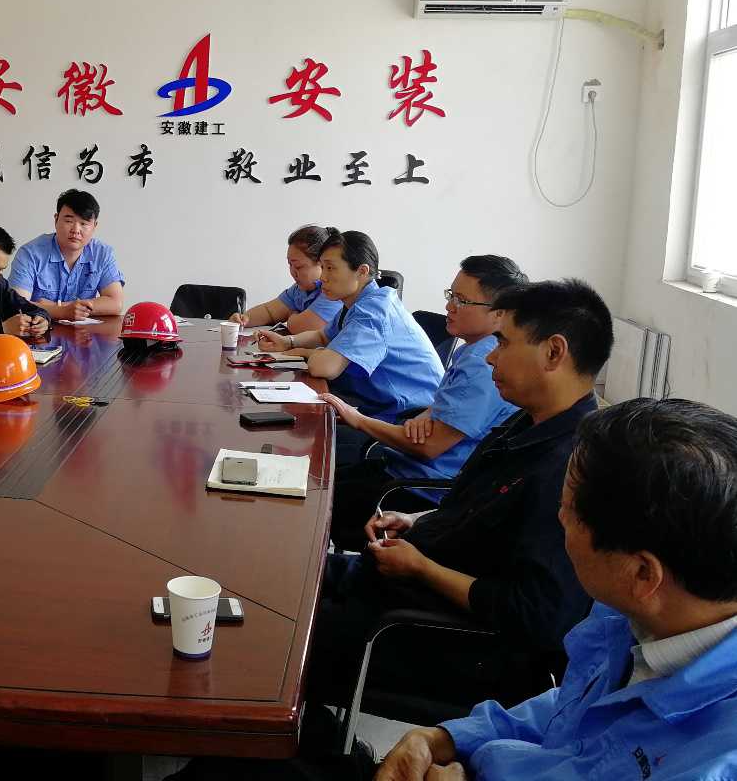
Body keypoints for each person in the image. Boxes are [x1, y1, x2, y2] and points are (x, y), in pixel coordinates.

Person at [377, 398, 737, 781]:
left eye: (570, 511)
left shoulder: (714, 761)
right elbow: (573, 709)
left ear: (643, 574)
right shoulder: (630, 618)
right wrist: (448, 738)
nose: (559, 517)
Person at [310, 279, 611, 706]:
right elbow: (473, 507)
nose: (490, 356)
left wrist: (421, 569)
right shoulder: (526, 423)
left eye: (503, 343)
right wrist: (415, 519)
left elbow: (535, 614)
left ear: (553, 352)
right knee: (283, 576)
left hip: (435, 633)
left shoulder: (569, 470)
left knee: (279, 631)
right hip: (398, 584)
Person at [324, 255, 526, 548]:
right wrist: (427, 414)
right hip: (404, 468)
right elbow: (446, 410)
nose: (449, 307)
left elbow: (429, 446)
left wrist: (358, 419)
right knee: (319, 481)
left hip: (422, 491)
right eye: (451, 295)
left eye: (462, 301)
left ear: (499, 314)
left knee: (315, 499)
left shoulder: (483, 364)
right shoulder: (474, 351)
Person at [257, 229, 442, 462]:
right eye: (322, 267)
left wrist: (303, 351)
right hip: (376, 407)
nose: (322, 277)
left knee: (304, 438)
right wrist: (287, 342)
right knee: (297, 425)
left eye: (330, 268)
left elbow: (324, 368)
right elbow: (323, 336)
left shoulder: (373, 311)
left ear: (361, 271)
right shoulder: (357, 302)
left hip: (407, 423)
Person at [9, 189, 124, 321]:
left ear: (94, 226)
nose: (76, 230)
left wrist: (60, 307)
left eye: (84, 223)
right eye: (69, 221)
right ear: (56, 220)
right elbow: (16, 306)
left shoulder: (102, 254)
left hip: (84, 333)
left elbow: (116, 303)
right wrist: (63, 312)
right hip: (38, 330)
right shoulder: (30, 254)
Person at [229, 225, 341, 334]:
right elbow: (269, 311)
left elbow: (301, 328)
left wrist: (291, 315)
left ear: (322, 264)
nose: (292, 272)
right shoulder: (298, 290)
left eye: (298, 266)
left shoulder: (334, 291)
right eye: (290, 264)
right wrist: (245, 318)